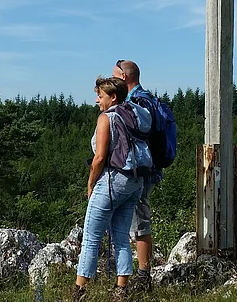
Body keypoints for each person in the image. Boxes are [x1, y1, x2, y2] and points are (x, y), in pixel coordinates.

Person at [73, 77, 152, 302]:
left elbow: (99, 158)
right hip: (135, 181)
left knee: (91, 237)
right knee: (121, 237)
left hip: (112, 181)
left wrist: (90, 184)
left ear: (113, 97)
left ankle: (79, 291)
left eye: (100, 96)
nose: (97, 100)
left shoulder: (106, 118)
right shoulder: (133, 113)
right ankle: (121, 289)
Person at [112, 60, 160, 293]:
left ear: (123, 77)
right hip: (145, 168)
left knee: (140, 223)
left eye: (114, 76)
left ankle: (143, 277)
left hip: (139, 172)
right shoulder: (146, 98)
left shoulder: (136, 102)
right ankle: (138, 275)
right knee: (137, 221)